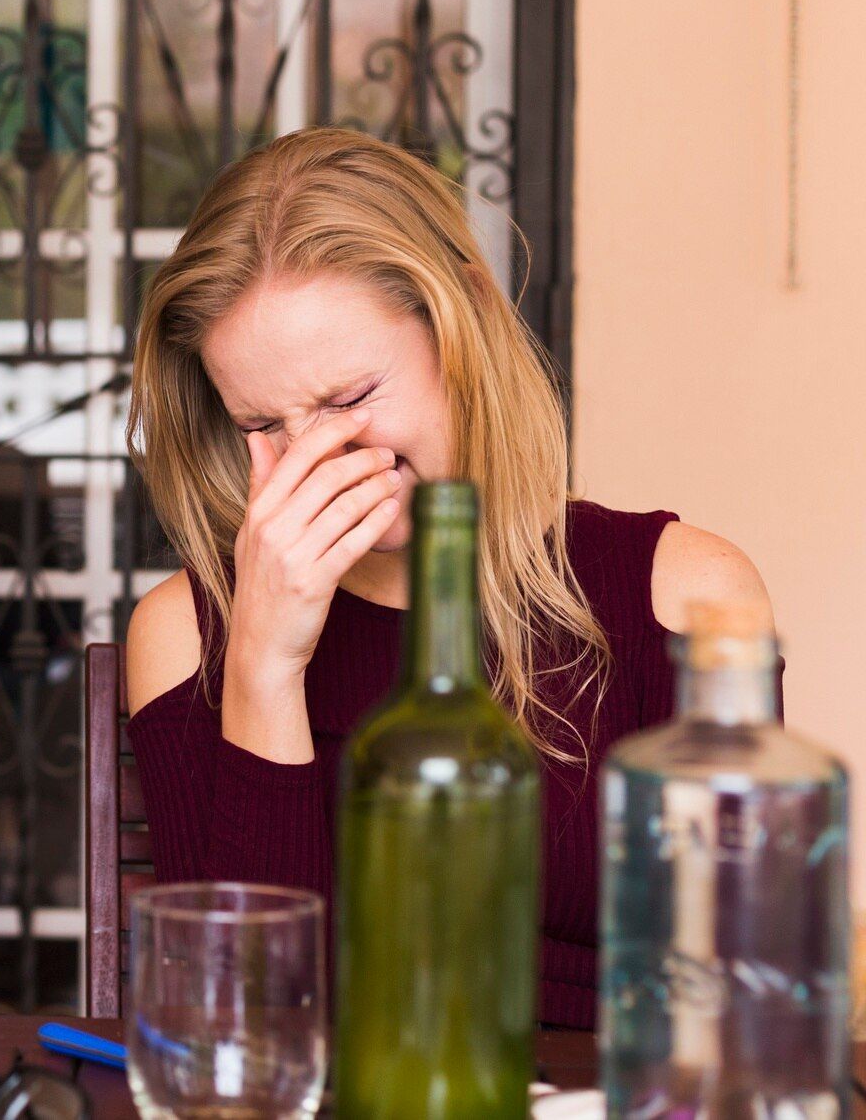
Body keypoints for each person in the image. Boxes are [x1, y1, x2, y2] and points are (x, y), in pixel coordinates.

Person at [121, 127, 773, 1030]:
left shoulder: (686, 593)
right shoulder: (190, 633)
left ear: (462, 327)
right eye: (263, 422)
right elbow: (245, 1033)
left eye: (350, 397)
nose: (321, 452)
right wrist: (264, 667)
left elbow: (733, 1011)